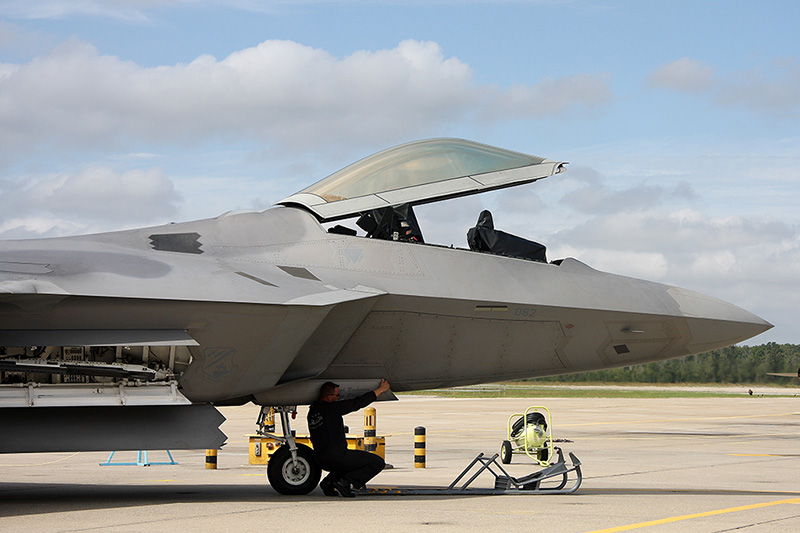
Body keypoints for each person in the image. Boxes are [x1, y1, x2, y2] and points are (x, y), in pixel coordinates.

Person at [307, 379, 391, 497]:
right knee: (377, 463)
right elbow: (358, 403)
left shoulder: (312, 411)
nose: (338, 397)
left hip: (321, 459)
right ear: (329, 397)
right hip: (336, 457)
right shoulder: (333, 409)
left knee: (346, 461)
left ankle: (329, 482)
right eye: (337, 395)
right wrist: (380, 390)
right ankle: (346, 482)